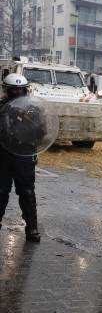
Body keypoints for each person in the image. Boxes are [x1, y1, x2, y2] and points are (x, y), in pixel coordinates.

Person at [0, 74, 41, 242]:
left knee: (27, 192)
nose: (17, 92)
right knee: (1, 191)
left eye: (20, 90)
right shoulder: (1, 108)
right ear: (6, 90)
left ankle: (32, 228)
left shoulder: (34, 110)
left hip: (24, 155)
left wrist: (28, 121)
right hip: (3, 155)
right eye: (13, 90)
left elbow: (42, 132)